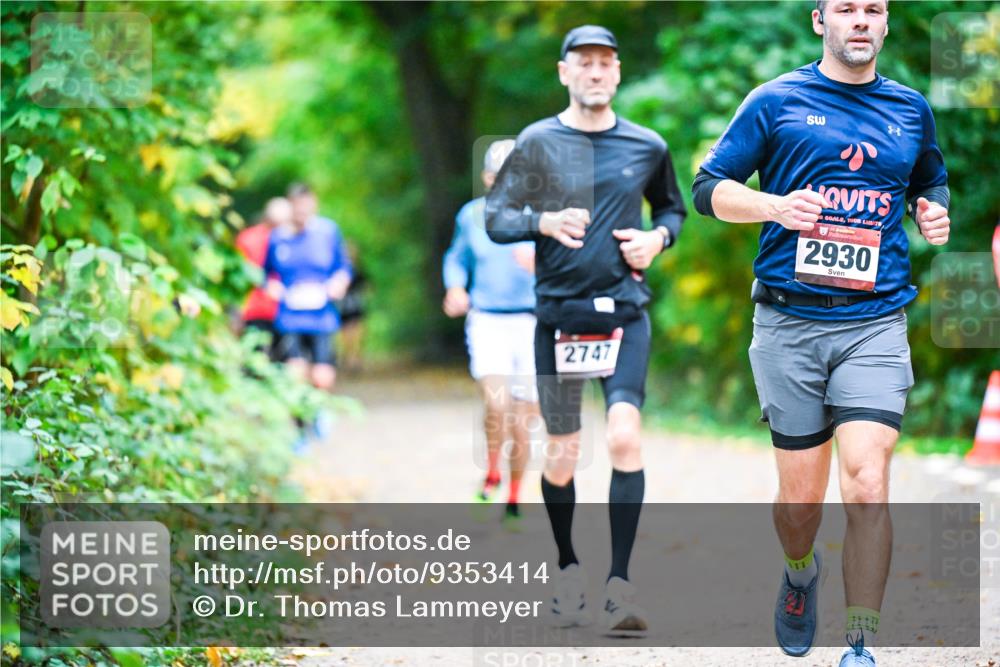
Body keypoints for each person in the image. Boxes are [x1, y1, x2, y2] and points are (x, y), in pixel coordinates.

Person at [691, 1, 951, 665]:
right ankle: (800, 569)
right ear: (820, 21)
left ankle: (860, 642)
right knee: (801, 503)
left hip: (874, 323)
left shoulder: (910, 108)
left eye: (873, 9)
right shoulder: (775, 101)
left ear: (886, 24)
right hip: (788, 324)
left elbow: (931, 177)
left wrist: (933, 212)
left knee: (867, 479)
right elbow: (707, 187)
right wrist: (775, 206)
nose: (860, 20)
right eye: (846, 8)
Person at [486, 26, 686, 635]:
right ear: (564, 72)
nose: (595, 73)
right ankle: (568, 568)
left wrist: (658, 238)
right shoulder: (538, 141)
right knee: (564, 452)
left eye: (605, 64)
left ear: (618, 73)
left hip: (624, 313)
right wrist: (543, 221)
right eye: (584, 64)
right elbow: (496, 220)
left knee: (625, 436)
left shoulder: (647, 144)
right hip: (559, 318)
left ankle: (619, 586)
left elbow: (672, 207)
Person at [443, 139, 539, 527]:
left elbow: (570, 265)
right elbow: (456, 257)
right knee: (497, 405)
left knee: (523, 420)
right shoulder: (471, 217)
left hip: (533, 321)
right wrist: (454, 286)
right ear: (487, 178)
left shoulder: (542, 217)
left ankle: (514, 497)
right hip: (488, 319)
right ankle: (492, 469)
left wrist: (543, 265)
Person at [264, 183, 352, 394]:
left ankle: (318, 417)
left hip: (321, 315)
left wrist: (339, 282)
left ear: (314, 204)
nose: (301, 210)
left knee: (322, 377)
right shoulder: (278, 237)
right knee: (294, 375)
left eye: (306, 204)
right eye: (297, 205)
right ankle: (301, 422)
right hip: (290, 315)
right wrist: (271, 286)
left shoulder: (328, 231)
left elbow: (344, 267)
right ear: (290, 206)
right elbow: (265, 272)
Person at [236, 197, 291, 360]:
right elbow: (239, 275)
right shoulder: (248, 239)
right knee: (253, 359)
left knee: (284, 360)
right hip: (254, 309)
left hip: (286, 309)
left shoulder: (292, 238)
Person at [336, 242, 369, 375]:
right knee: (346, 335)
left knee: (356, 334)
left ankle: (354, 358)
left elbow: (367, 285)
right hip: (344, 306)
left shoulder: (359, 270)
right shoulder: (339, 269)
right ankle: (349, 358)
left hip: (356, 305)